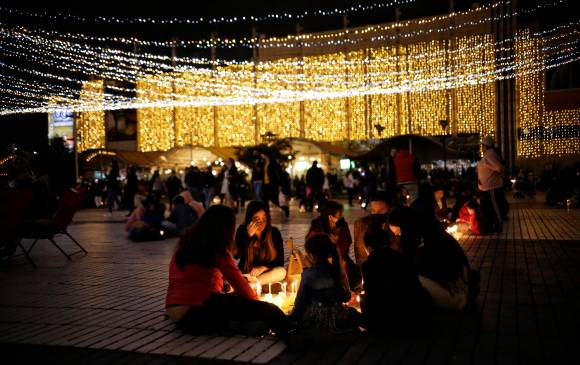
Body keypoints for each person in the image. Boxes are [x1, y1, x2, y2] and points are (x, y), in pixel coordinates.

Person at [165, 205, 289, 337]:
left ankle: (235, 326)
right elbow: (241, 286)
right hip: (198, 308)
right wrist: (256, 304)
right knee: (268, 310)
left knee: (236, 311)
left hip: (175, 311)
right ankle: (292, 329)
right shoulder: (216, 250)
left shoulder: (185, 245)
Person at [361, 223, 432, 336]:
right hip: (415, 316)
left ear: (369, 247)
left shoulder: (368, 265)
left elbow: (372, 295)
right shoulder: (402, 257)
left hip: (389, 324)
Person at [290, 233, 357, 333]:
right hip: (337, 317)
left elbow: (300, 301)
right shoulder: (335, 270)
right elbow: (346, 297)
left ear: (312, 255)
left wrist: (293, 317)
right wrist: (345, 280)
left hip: (317, 318)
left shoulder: (309, 274)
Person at [307, 200, 361, 291]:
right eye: (339, 215)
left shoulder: (342, 226)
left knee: (355, 279)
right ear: (331, 217)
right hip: (322, 262)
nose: (341, 217)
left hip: (340, 259)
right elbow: (312, 248)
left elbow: (346, 246)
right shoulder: (317, 228)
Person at [235, 201, 286, 285]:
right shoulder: (242, 230)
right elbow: (236, 256)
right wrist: (248, 236)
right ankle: (248, 284)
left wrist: (263, 267)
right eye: (257, 219)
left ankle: (248, 285)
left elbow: (280, 261)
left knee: (281, 272)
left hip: (266, 274)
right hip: (247, 274)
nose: (262, 223)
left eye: (264, 218)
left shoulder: (274, 232)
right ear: (250, 219)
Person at [353, 191, 394, 265]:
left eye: (381, 210)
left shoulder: (394, 226)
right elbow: (359, 252)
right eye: (373, 210)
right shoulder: (362, 224)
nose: (376, 214)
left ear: (389, 208)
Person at [477, 136, 506, 233]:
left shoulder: (490, 155)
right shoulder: (489, 155)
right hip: (487, 188)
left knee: (494, 207)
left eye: (482, 145)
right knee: (489, 208)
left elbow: (499, 168)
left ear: (485, 146)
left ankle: (498, 226)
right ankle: (490, 226)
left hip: (491, 187)